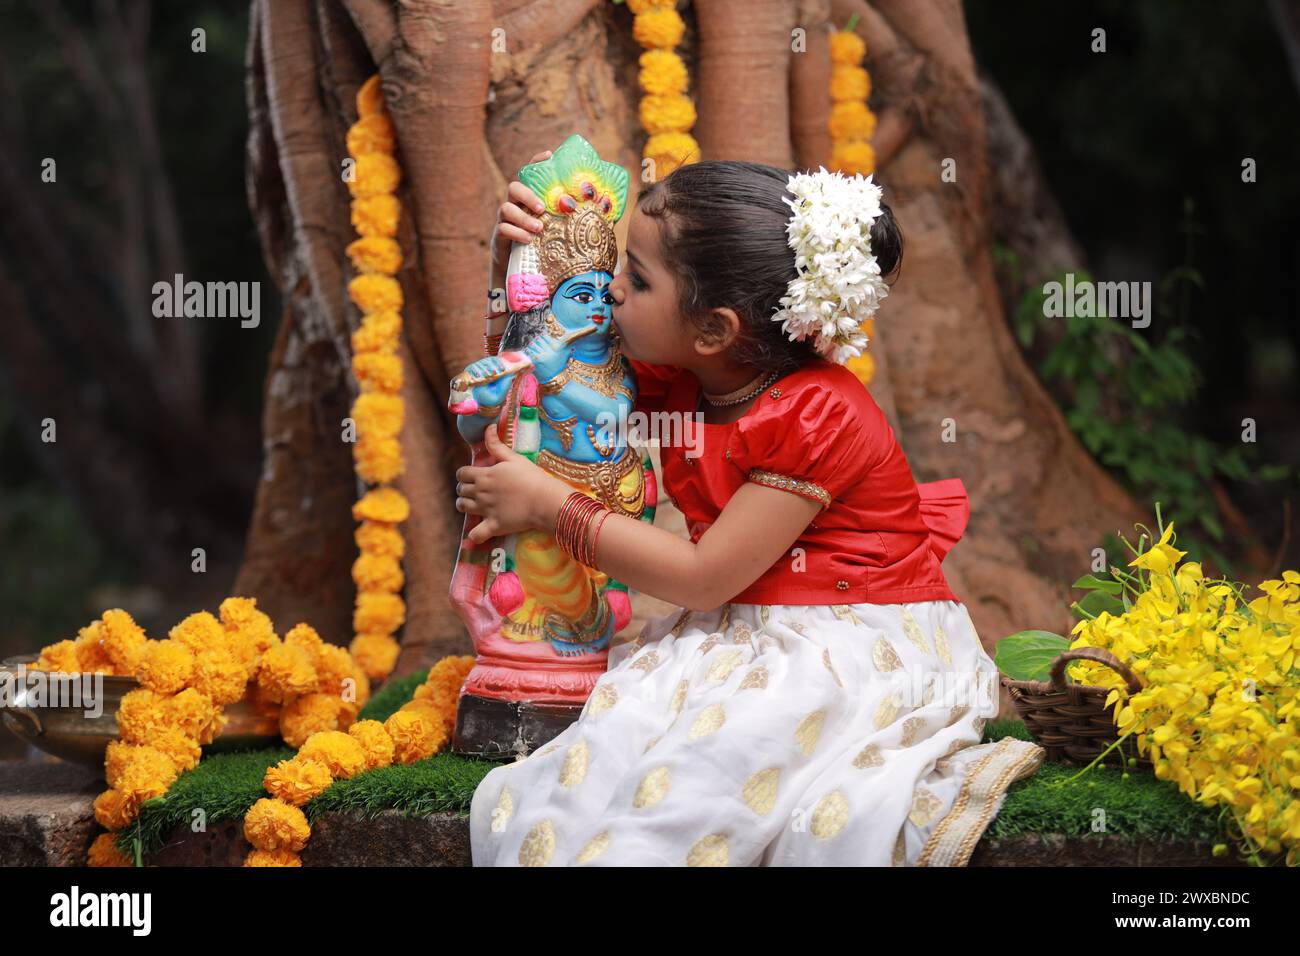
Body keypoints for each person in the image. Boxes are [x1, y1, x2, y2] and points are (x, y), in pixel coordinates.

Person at [456, 157, 1044, 866]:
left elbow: (704, 579)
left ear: (714, 329)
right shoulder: (684, 369)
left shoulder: (819, 415)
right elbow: (544, 369)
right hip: (743, 619)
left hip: (845, 638)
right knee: (614, 749)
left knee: (714, 767)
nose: (610, 289)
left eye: (636, 278)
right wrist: (522, 270)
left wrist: (551, 505)